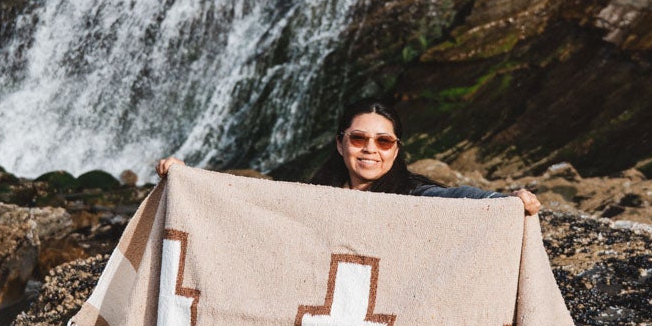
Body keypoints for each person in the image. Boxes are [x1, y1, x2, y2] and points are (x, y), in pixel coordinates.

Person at [157, 95, 541, 213]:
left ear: (396, 150)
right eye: (359, 139)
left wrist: (504, 201)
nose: (370, 149)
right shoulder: (315, 195)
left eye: (384, 141)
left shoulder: (412, 198)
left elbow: (456, 198)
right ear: (340, 144)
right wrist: (189, 178)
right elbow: (252, 198)